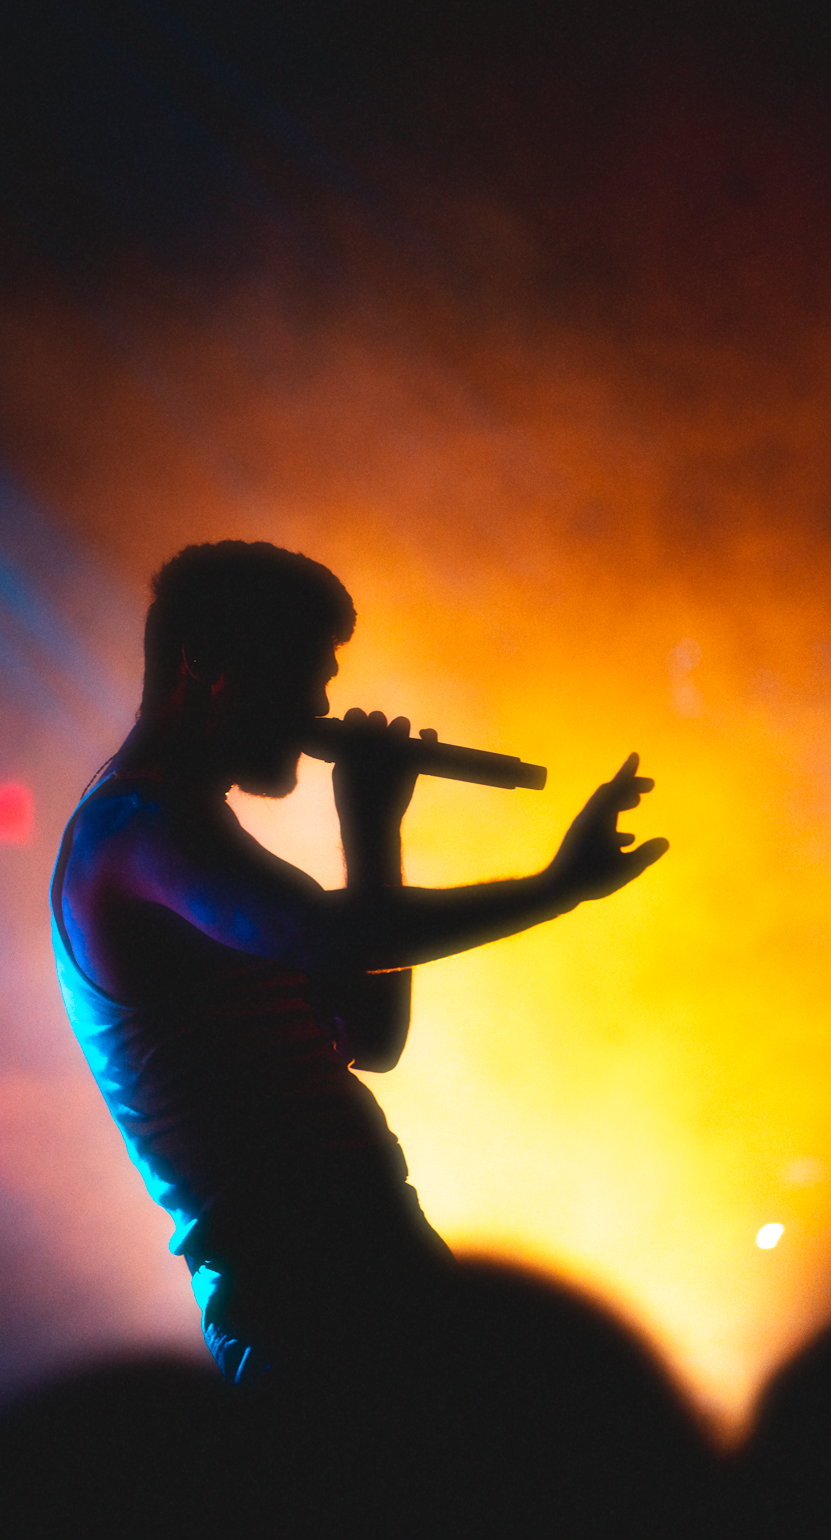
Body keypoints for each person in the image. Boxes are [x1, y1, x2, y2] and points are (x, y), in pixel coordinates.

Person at [50, 540, 668, 1404]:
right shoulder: (137, 830)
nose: (317, 707)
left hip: (363, 1260)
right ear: (206, 662)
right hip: (295, 1297)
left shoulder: (194, 832)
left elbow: (372, 1036)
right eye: (300, 674)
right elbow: (339, 938)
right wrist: (555, 889)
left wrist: (373, 826)